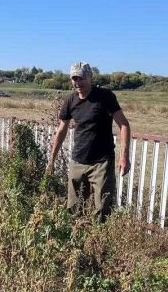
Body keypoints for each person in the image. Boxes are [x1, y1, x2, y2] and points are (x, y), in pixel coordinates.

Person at [46, 62, 131, 221]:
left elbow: (124, 125)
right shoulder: (70, 100)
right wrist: (51, 160)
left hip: (102, 163)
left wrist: (124, 156)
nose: (77, 83)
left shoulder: (105, 97)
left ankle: (99, 243)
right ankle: (77, 242)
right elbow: (61, 130)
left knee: (102, 211)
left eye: (81, 78)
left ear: (90, 77)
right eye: (74, 78)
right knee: (73, 210)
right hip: (78, 162)